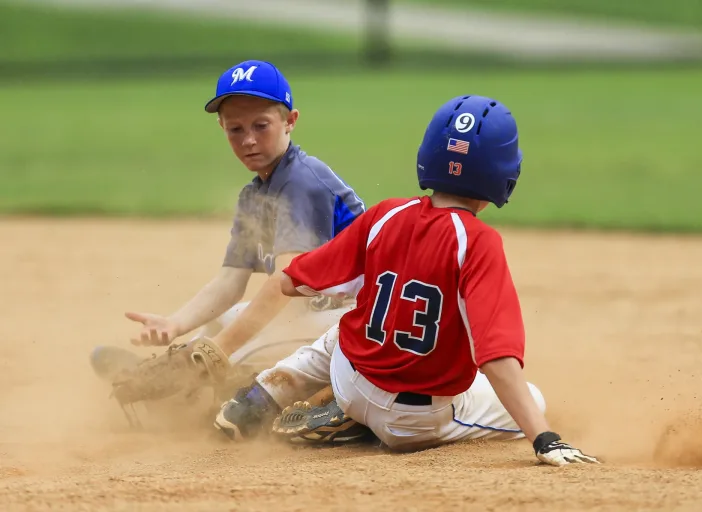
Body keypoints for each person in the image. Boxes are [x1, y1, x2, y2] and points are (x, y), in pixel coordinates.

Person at [213, 95, 601, 466]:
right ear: (503, 172)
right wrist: (544, 437)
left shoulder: (386, 214)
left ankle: (259, 398)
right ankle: (362, 428)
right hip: (413, 423)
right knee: (534, 398)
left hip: (350, 383)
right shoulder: (479, 243)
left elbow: (291, 282)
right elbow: (497, 359)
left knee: (343, 331)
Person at [91, 60, 366, 417]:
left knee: (239, 352)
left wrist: (214, 352)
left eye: (261, 126)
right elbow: (230, 282)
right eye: (235, 129)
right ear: (221, 127)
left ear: (290, 121)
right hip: (318, 312)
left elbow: (285, 282)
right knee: (223, 323)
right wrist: (176, 325)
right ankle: (181, 396)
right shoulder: (255, 195)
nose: (248, 139)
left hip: (360, 319)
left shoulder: (302, 182)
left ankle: (202, 403)